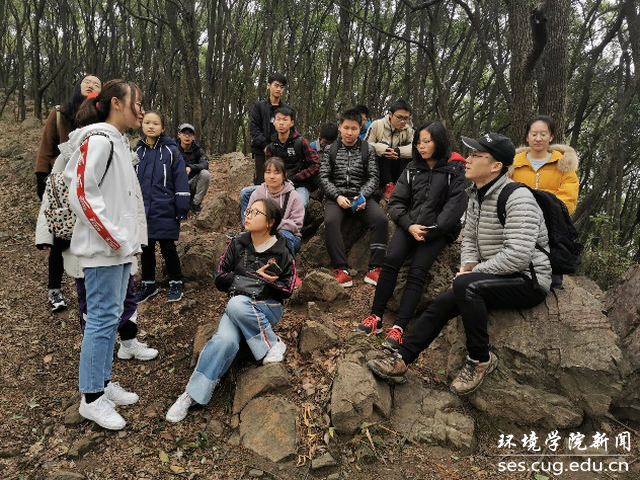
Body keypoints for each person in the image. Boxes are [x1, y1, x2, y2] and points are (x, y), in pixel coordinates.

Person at [367, 133, 551, 395]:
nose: (468, 159)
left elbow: (519, 255)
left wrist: (474, 273)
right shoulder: (476, 195)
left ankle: (480, 359)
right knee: (441, 303)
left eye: (476, 155)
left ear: (496, 166)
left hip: (527, 280)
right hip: (494, 276)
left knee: (466, 286)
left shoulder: (518, 197)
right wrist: (467, 267)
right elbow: (470, 240)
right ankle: (402, 359)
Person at [35, 118, 158, 362]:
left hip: (120, 238)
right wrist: (45, 235)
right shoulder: (70, 153)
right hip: (85, 241)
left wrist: (138, 238)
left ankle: (128, 342)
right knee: (90, 300)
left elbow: (133, 198)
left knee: (127, 294)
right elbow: (53, 196)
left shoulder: (121, 150)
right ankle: (96, 356)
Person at [165, 198, 295, 423]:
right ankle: (192, 394)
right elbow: (219, 278)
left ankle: (272, 343)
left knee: (235, 304)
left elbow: (288, 289)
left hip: (267, 308)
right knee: (224, 340)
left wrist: (268, 282)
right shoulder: (238, 244)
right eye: (248, 210)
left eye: (255, 213)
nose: (248, 215)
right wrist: (248, 275)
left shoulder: (282, 250)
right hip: (237, 307)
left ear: (270, 222)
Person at [64, 79, 145, 430]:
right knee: (100, 320)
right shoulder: (98, 140)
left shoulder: (118, 143)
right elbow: (81, 192)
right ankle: (92, 398)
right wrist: (113, 238)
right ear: (116, 103)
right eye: (136, 102)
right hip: (103, 250)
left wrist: (129, 244)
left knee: (110, 318)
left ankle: (102, 382)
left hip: (119, 250)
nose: (141, 110)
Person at [356, 122, 468, 349]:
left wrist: (433, 230)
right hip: (410, 225)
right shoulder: (412, 168)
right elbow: (396, 201)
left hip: (438, 231)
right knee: (391, 260)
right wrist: (409, 226)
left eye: (427, 141)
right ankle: (376, 317)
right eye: (418, 142)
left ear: (439, 141)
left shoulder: (455, 169)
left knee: (417, 271)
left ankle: (399, 328)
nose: (421, 146)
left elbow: (454, 207)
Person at [35, 74, 102, 312]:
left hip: (91, 184)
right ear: (77, 87)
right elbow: (46, 147)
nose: (91, 85)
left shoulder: (101, 116)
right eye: (87, 82)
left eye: (97, 84)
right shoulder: (60, 114)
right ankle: (55, 290)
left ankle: (86, 288)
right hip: (62, 182)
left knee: (88, 235)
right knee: (60, 236)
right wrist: (41, 177)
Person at [319, 108, 388, 287]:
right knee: (331, 222)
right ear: (340, 127)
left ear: (360, 129)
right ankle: (341, 270)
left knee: (381, 220)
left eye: (354, 129)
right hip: (336, 198)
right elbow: (324, 177)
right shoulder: (331, 150)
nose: (349, 132)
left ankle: (375, 268)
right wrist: (337, 196)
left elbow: (373, 177)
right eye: (346, 128)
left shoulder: (368, 149)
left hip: (361, 197)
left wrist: (362, 196)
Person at [509, 115, 579, 289]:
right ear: (527, 136)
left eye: (543, 134)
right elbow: (505, 192)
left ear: (551, 136)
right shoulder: (512, 164)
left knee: (551, 278)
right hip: (518, 223)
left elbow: (569, 197)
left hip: (552, 226)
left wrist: (545, 209)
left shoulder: (564, 164)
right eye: (534, 134)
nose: (538, 138)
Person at [135, 111, 191, 303]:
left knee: (168, 247)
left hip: (166, 208)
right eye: (147, 123)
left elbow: (181, 180)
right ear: (142, 125)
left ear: (163, 128)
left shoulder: (171, 151)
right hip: (144, 209)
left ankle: (176, 282)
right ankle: (148, 284)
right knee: (147, 248)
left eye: (156, 123)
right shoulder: (138, 151)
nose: (151, 126)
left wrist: (181, 207)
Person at [239, 106, 318, 225]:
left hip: (298, 185)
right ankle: (247, 229)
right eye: (278, 119)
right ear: (274, 122)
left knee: (302, 203)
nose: (281, 123)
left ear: (292, 123)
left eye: (285, 119)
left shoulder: (301, 142)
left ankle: (294, 231)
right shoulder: (271, 146)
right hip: (275, 185)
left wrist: (297, 177)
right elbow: (268, 168)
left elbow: (315, 164)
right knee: (245, 193)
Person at [247, 157, 304, 255]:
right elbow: (249, 216)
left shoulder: (293, 196)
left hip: (287, 234)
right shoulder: (257, 194)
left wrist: (272, 224)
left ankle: (285, 263)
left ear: (284, 175)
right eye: (268, 172)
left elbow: (296, 224)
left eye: (276, 173)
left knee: (280, 238)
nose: (272, 176)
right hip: (260, 232)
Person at [365, 100, 414, 200]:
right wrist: (384, 150)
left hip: (398, 166)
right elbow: (365, 145)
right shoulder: (377, 125)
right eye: (399, 117)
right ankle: (387, 185)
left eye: (406, 118)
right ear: (390, 114)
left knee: (408, 152)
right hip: (379, 168)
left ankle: (402, 185)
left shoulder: (409, 130)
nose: (403, 121)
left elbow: (415, 148)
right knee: (384, 147)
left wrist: (398, 151)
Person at [249, 72, 290, 184]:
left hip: (281, 150)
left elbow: (290, 130)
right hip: (261, 151)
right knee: (261, 181)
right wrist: (265, 146)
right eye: (276, 85)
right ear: (269, 85)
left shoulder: (287, 110)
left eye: (282, 87)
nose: (278, 89)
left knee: (280, 180)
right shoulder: (259, 106)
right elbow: (254, 128)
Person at [176, 123, 210, 214]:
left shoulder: (197, 150)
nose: (187, 136)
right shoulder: (172, 149)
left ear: (193, 137)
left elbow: (205, 164)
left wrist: (191, 168)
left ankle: (195, 204)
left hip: (191, 184)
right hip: (176, 185)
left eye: (190, 134)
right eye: (184, 133)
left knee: (205, 174)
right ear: (179, 135)